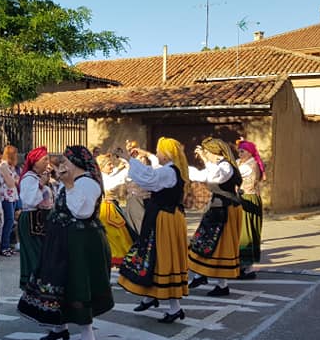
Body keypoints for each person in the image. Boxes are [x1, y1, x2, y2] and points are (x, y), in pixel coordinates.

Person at [18, 145, 113, 340]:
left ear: (76, 164)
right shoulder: (71, 182)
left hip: (80, 243)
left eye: (66, 162)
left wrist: (69, 184)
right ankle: (59, 326)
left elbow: (82, 212)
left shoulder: (87, 182)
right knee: (57, 282)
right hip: (63, 240)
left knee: (77, 285)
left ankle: (88, 339)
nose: (62, 165)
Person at [116, 138, 191, 323]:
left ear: (167, 154)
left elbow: (147, 178)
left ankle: (174, 308)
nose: (157, 154)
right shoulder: (171, 169)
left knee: (163, 259)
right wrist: (128, 159)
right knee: (155, 258)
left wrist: (128, 159)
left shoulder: (168, 172)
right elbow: (149, 174)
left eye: (159, 151)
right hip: (164, 217)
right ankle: (151, 297)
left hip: (164, 218)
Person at [187, 137, 243, 296]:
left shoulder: (225, 166)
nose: (204, 154)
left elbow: (214, 176)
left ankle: (222, 285)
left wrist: (205, 159)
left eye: (206, 151)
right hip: (216, 208)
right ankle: (200, 275)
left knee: (220, 246)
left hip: (226, 209)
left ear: (214, 152)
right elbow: (201, 175)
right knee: (203, 241)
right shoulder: (217, 166)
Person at [17, 146, 52, 288]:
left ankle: (40, 283)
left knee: (43, 252)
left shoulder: (39, 177)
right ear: (35, 161)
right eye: (44, 159)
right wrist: (41, 184)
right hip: (32, 220)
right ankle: (34, 285)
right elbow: (29, 200)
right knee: (34, 253)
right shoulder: (28, 179)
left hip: (41, 219)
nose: (47, 162)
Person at [97, 154, 134, 266]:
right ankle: (112, 254)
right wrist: (125, 167)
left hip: (111, 206)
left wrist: (121, 168)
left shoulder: (104, 176)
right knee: (112, 232)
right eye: (109, 164)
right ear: (102, 167)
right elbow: (115, 179)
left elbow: (114, 175)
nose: (112, 166)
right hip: (105, 207)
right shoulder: (103, 178)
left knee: (118, 231)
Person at [237, 140, 265, 280]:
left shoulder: (248, 166)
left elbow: (233, 174)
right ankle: (243, 266)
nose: (240, 153)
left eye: (243, 151)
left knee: (246, 233)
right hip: (247, 198)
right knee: (244, 232)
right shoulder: (247, 163)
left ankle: (246, 268)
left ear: (249, 152)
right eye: (239, 151)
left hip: (248, 200)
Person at [0, 145, 20, 257]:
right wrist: (13, 181)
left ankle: (7, 245)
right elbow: (11, 182)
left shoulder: (11, 167)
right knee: (9, 220)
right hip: (6, 196)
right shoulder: (3, 165)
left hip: (12, 195)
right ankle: (4, 246)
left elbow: (16, 180)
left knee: (11, 222)